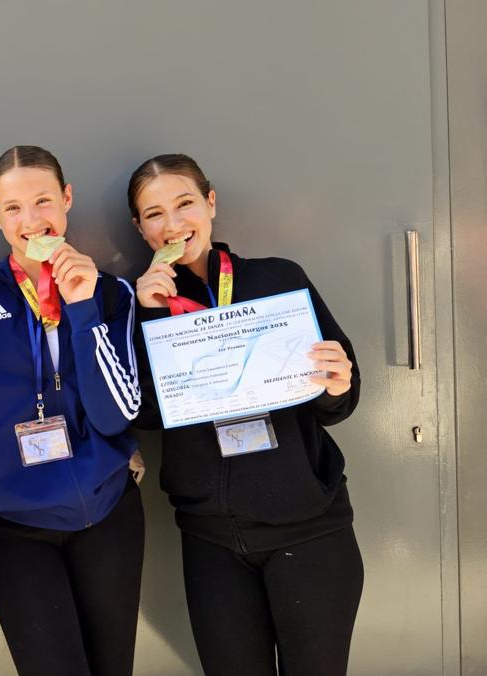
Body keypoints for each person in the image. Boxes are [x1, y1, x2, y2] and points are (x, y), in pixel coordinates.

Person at [128, 153, 363, 675]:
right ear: (141, 229)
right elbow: (143, 411)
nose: (173, 223)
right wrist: (146, 313)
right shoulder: (136, 302)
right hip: (212, 543)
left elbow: (338, 403)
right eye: (154, 213)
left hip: (309, 530)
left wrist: (337, 383)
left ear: (210, 203)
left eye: (185, 203)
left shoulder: (278, 279)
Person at [0, 145, 145, 676]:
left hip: (108, 517)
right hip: (14, 528)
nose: (31, 221)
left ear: (67, 199)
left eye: (43, 201)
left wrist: (82, 310)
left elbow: (117, 415)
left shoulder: (112, 293)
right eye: (12, 208)